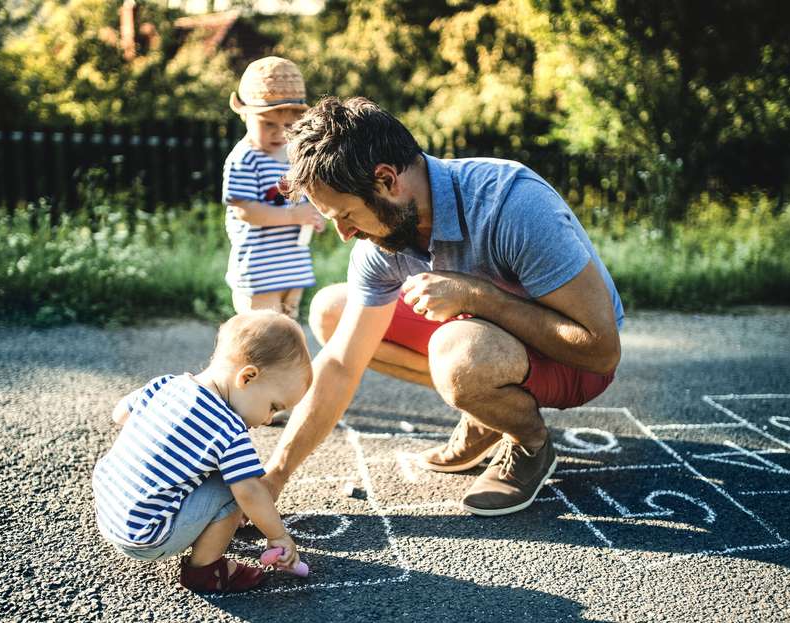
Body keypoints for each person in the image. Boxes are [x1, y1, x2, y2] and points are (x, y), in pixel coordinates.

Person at [262, 96, 624, 517]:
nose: (343, 234)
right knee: (333, 309)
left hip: (572, 362)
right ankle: (487, 408)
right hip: (487, 341)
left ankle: (530, 442)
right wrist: (274, 477)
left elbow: (600, 351)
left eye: (346, 215)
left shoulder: (512, 204)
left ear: (386, 180)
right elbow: (342, 364)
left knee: (458, 353)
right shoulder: (384, 234)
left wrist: (478, 296)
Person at [91, 310, 312, 593]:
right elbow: (250, 492)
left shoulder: (167, 384)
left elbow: (120, 413)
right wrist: (278, 535)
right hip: (148, 536)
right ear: (247, 377)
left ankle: (201, 527)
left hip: (111, 511)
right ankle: (206, 571)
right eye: (273, 406)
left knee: (219, 473)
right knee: (234, 488)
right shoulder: (229, 428)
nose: (269, 419)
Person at [222, 56, 325, 321]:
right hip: (259, 272)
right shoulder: (245, 158)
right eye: (268, 124)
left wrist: (311, 216)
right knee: (265, 335)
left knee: (287, 331)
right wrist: (293, 217)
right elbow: (246, 211)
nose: (280, 133)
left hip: (292, 267)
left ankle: (288, 365)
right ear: (245, 114)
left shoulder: (292, 155)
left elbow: (303, 198)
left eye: (289, 126)